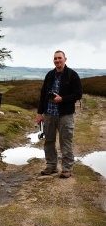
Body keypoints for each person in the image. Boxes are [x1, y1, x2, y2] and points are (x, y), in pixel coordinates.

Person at [36, 50, 82, 178]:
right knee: (49, 141)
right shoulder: (50, 75)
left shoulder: (72, 75)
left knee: (65, 141)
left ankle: (67, 169)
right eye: (55, 58)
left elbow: (78, 94)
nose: (57, 60)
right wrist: (40, 113)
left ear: (65, 59)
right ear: (53, 60)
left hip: (65, 115)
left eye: (59, 58)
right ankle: (51, 166)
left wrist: (62, 99)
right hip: (49, 114)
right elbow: (43, 95)